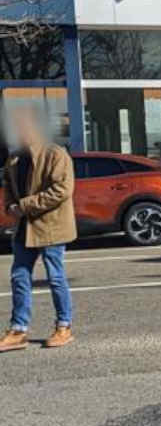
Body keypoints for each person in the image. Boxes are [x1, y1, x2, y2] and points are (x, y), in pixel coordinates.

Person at [0, 109, 76, 351]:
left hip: (51, 227)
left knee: (55, 277)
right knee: (19, 277)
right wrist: (10, 206)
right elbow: (9, 188)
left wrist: (23, 206)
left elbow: (62, 190)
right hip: (24, 227)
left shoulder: (55, 154)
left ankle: (64, 327)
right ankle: (18, 330)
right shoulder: (14, 159)